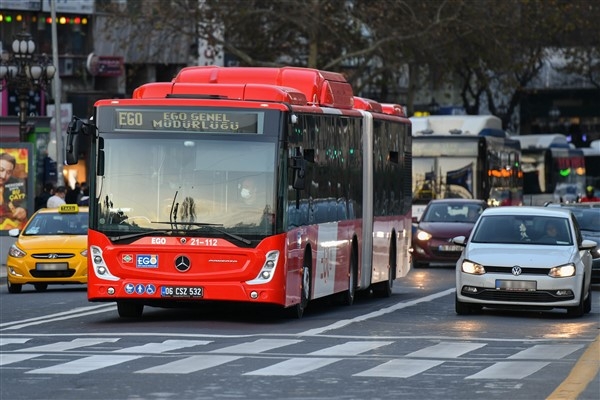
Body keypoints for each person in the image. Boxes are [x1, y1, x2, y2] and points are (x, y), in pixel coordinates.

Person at [0, 152, 27, 228]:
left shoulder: (16, 183)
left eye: (8, 172)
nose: (4, 176)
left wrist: (23, 209)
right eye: (1, 170)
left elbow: (24, 199)